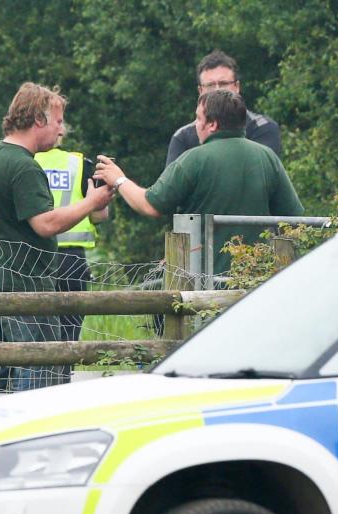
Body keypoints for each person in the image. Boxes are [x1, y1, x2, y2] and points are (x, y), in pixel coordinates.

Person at [0, 82, 113, 392]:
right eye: (58, 121)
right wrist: (91, 203)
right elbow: (45, 224)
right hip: (25, 290)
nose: (61, 130)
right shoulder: (24, 166)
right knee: (37, 381)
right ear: (38, 120)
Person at [96, 89, 303, 276]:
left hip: (204, 285)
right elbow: (294, 218)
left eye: (198, 118)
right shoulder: (267, 157)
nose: (195, 124)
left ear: (212, 124)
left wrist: (119, 179)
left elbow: (151, 205)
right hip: (257, 283)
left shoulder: (193, 159)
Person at [35, 143, 109, 350]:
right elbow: (99, 214)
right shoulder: (79, 164)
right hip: (71, 260)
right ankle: (64, 377)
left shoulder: (26, 161)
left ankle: (38, 380)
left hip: (34, 258)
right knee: (68, 334)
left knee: (33, 333)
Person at [165, 50, 281, 166]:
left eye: (223, 83)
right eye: (210, 85)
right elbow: (171, 183)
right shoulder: (183, 137)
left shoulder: (262, 128)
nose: (217, 90)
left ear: (237, 87)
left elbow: (259, 176)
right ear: (200, 91)